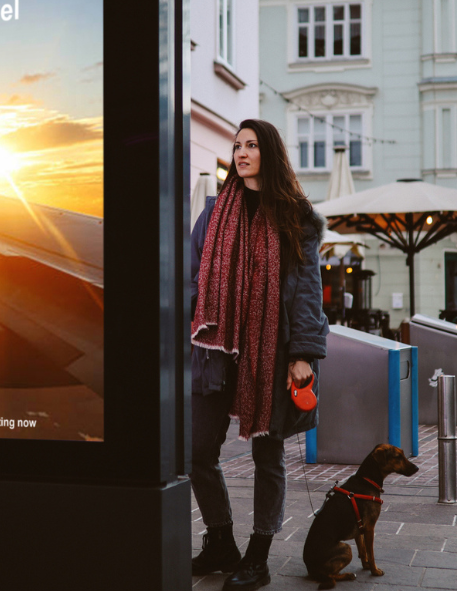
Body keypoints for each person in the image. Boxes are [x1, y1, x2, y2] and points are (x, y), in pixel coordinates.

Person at [189, 119, 329, 590]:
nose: (242, 152)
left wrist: (304, 353)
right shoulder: (213, 213)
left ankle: (259, 553)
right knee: (197, 449)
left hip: (271, 350)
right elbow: (192, 275)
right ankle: (221, 540)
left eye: (251, 144)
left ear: (268, 152)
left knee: (267, 454)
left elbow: (308, 291)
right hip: (216, 349)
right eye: (236, 145)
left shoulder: (296, 216)